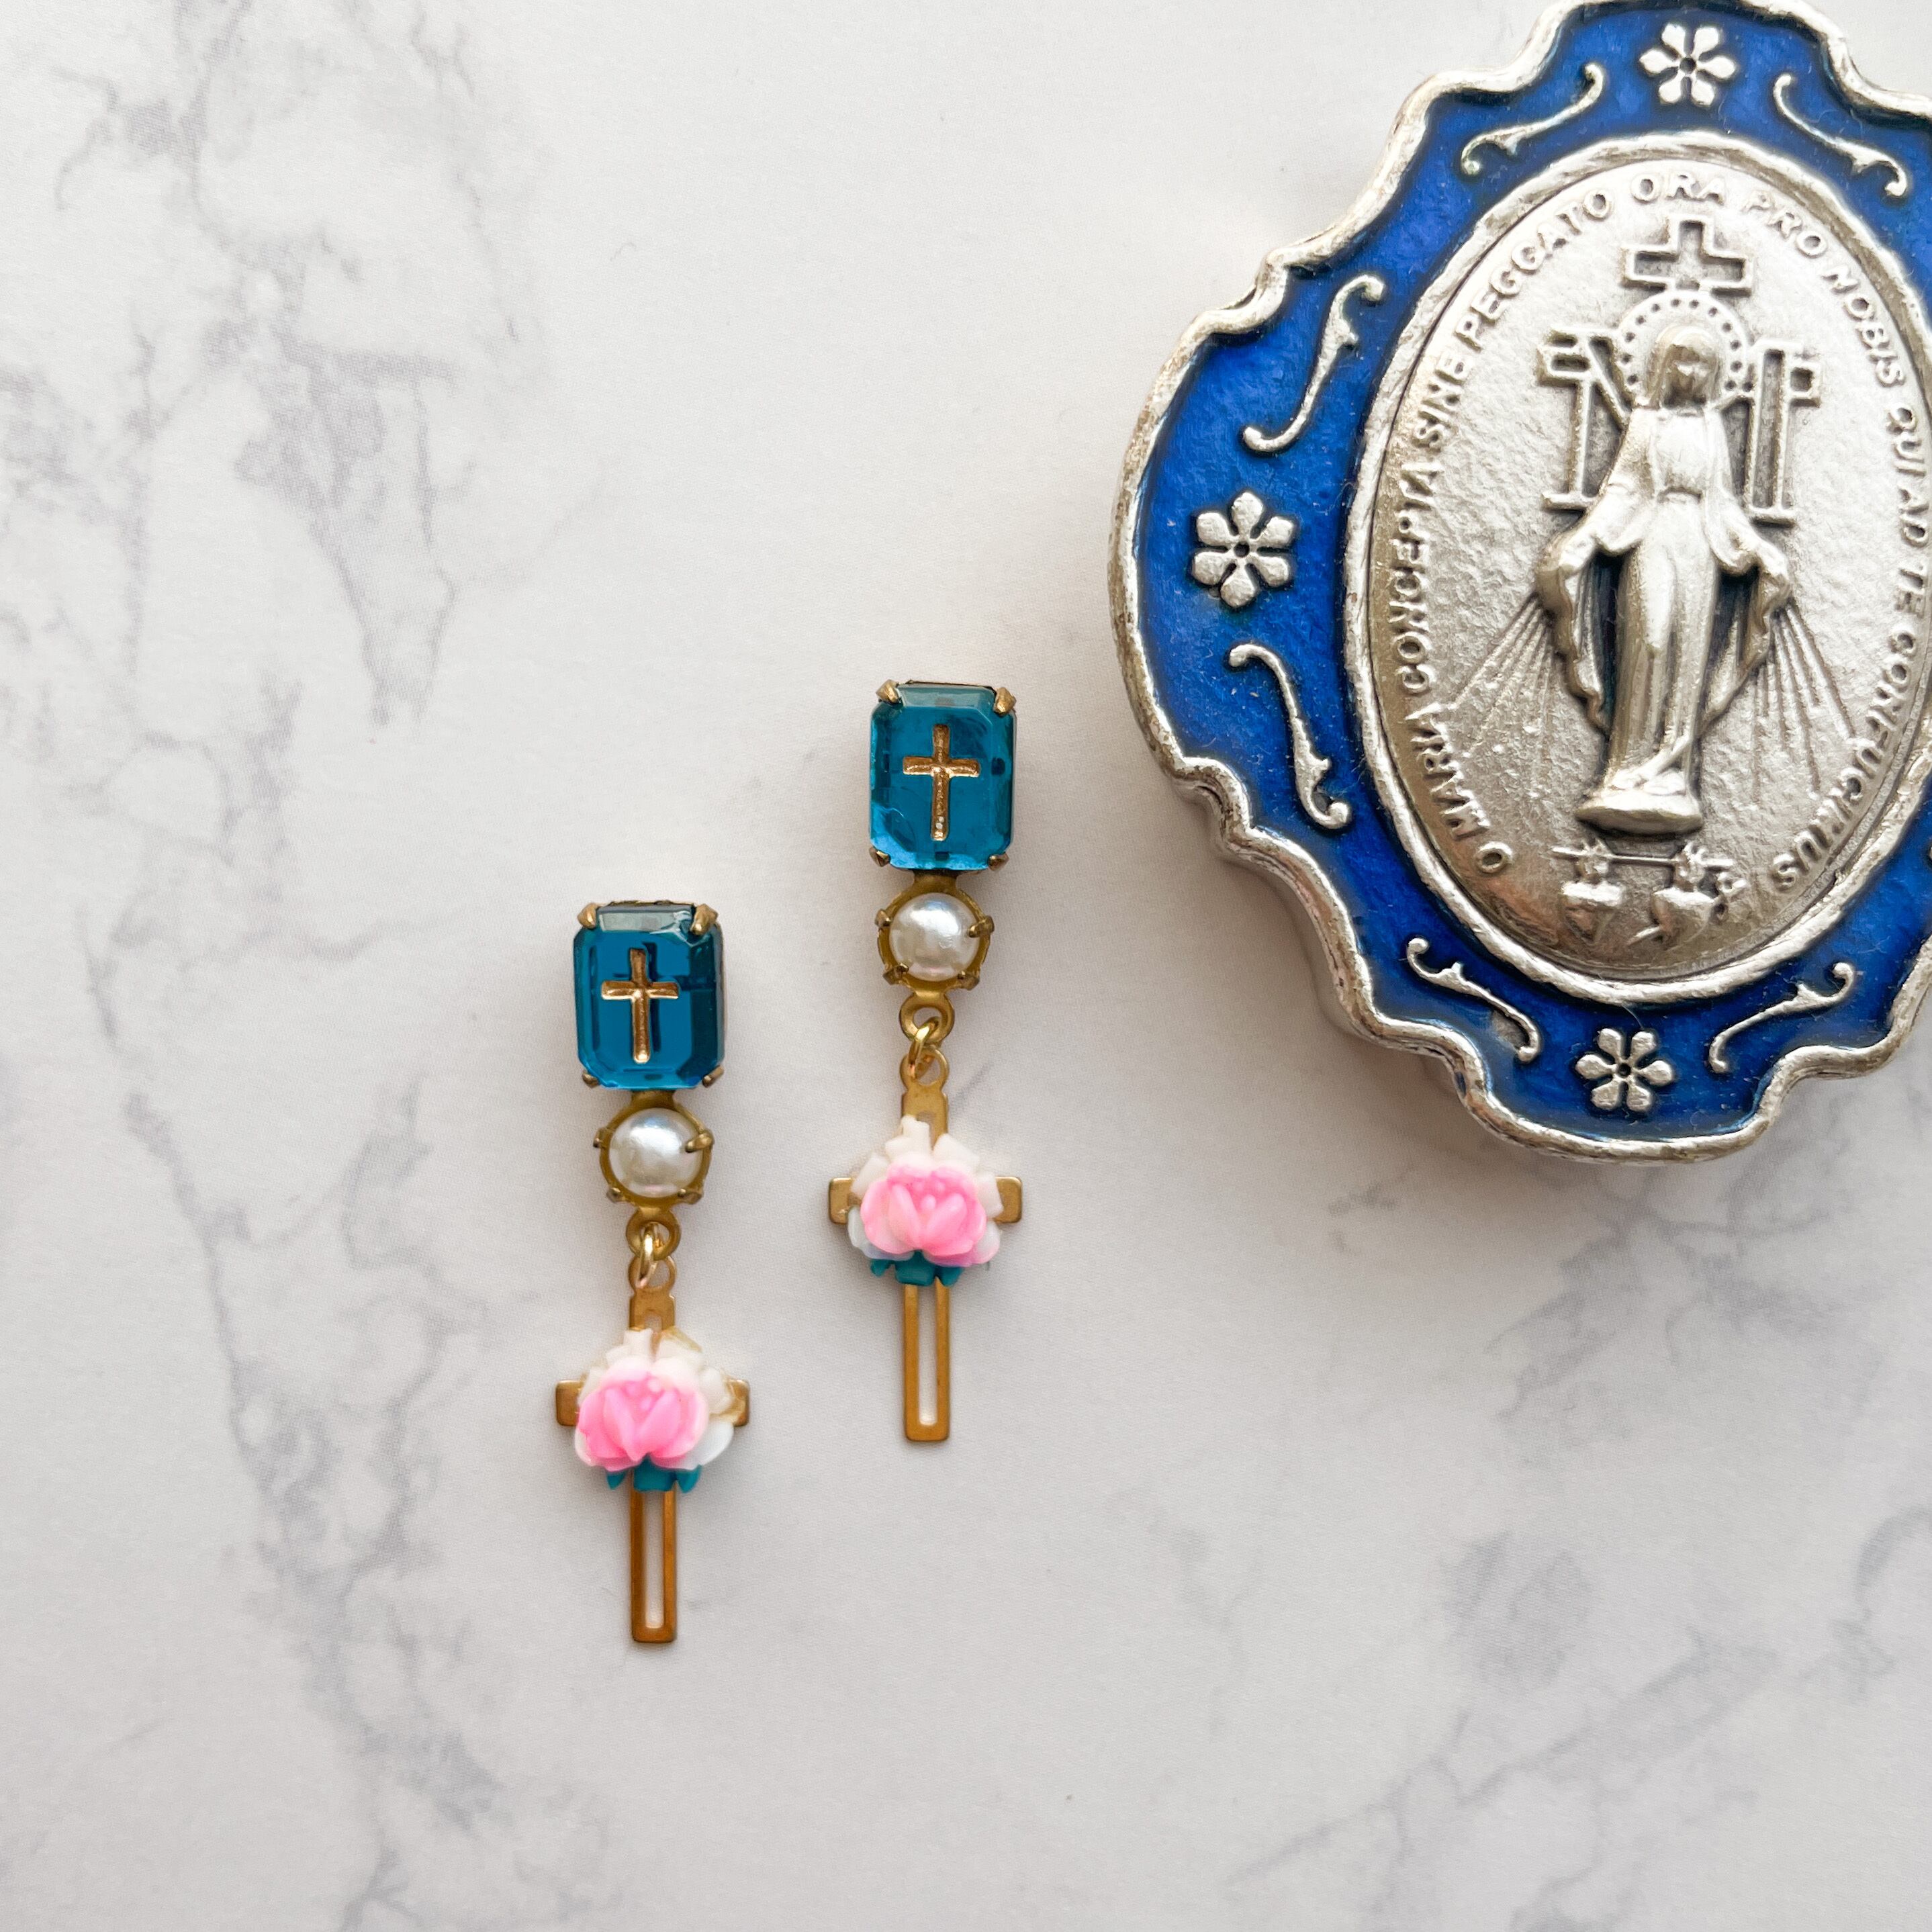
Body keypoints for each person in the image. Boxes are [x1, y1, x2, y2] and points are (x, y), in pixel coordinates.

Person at [1536, 320, 1790, 833]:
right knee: (1649, 641)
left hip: (1699, 542)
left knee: (1686, 654)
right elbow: (1623, 489)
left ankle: (1672, 771)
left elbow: (1722, 502)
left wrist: (1757, 547)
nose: (1690, 372)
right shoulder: (1645, 423)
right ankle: (1626, 768)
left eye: (1701, 363)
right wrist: (1586, 537)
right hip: (1651, 535)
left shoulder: (1711, 428)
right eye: (1682, 359)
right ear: (1663, 365)